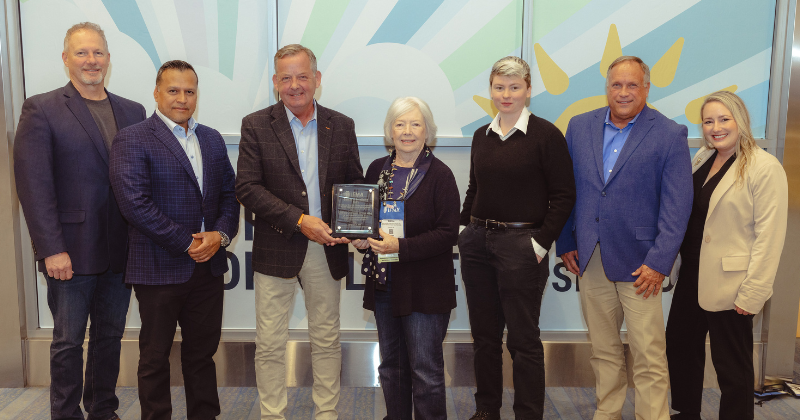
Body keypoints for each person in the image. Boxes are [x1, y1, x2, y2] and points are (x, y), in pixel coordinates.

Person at [14, 22, 146, 420]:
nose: (91, 61)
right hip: (69, 251)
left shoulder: (132, 110)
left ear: (108, 58)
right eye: (82, 53)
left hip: (120, 250)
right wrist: (51, 249)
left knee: (110, 337)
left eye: (98, 52)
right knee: (68, 341)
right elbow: (34, 186)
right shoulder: (42, 108)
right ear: (66, 59)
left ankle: (103, 409)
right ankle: (66, 414)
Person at [555, 55, 693, 420]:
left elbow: (677, 207)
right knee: (603, 349)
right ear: (607, 88)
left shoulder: (669, 133)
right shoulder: (579, 127)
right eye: (617, 84)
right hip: (591, 256)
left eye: (633, 85)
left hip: (642, 263)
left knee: (649, 354)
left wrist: (659, 261)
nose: (624, 92)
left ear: (647, 88)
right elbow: (567, 190)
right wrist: (566, 241)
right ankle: (608, 412)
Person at [236, 44, 364, 420]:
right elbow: (247, 187)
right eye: (286, 77)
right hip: (278, 245)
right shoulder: (255, 124)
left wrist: (354, 227)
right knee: (271, 343)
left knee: (326, 339)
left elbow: (354, 182)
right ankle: (273, 414)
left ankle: (326, 413)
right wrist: (298, 219)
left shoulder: (341, 125)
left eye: (302, 76)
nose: (295, 85)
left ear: (317, 79)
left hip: (328, 247)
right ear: (276, 82)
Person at [109, 60, 239, 420]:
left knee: (201, 355)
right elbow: (134, 204)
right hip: (158, 267)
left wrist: (220, 235)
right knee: (154, 358)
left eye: (190, 91)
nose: (182, 98)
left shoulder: (211, 138)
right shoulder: (132, 138)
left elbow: (230, 194)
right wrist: (188, 242)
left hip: (208, 268)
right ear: (156, 93)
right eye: (173, 90)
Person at [458, 56, 576, 420]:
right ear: (490, 90)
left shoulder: (546, 135)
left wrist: (540, 244)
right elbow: (474, 186)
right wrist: (465, 229)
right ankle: (487, 410)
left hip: (521, 248)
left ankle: (527, 413)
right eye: (499, 87)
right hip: (478, 244)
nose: (505, 95)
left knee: (523, 341)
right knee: (484, 338)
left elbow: (563, 195)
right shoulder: (482, 135)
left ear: (528, 90)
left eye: (514, 87)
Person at [666, 91, 788, 420]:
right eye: (708, 121)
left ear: (740, 121)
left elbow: (770, 236)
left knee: (731, 367)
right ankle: (686, 413)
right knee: (680, 348)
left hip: (733, 284)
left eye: (723, 119)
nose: (715, 127)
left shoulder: (765, 167)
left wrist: (754, 292)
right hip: (691, 274)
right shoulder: (703, 158)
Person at [350, 97, 460, 420]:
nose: (407, 131)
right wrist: (362, 240)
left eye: (415, 124)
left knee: (425, 371)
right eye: (400, 124)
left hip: (426, 289)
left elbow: (447, 233)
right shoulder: (377, 171)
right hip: (386, 285)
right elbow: (369, 224)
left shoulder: (441, 175)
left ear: (427, 131)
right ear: (390, 131)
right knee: (391, 367)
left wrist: (400, 246)